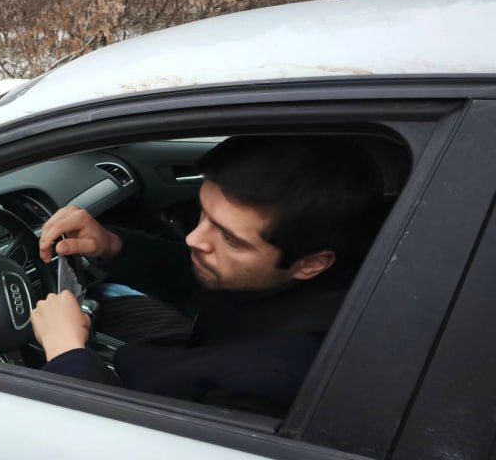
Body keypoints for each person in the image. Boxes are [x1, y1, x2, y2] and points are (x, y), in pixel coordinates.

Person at [30, 136, 386, 417]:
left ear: (311, 264)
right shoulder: (291, 272)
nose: (193, 239)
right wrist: (111, 244)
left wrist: (66, 353)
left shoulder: (276, 380)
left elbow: (136, 459)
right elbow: (202, 277)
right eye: (203, 213)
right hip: (174, 354)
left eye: (230, 238)